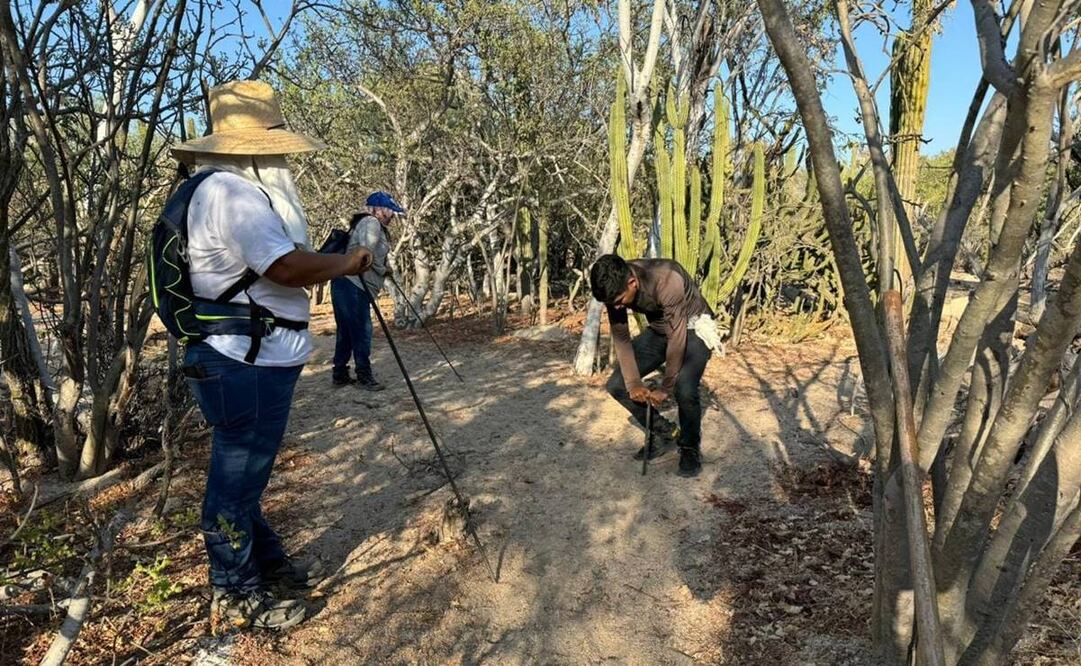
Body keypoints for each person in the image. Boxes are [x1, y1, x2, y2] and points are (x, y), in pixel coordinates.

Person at [170, 80, 374, 630]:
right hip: (244, 360)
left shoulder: (214, 188)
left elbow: (272, 264)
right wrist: (346, 264)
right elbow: (282, 267)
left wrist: (325, 261)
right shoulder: (234, 193)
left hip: (238, 356)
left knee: (245, 476)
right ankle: (235, 593)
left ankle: (267, 566)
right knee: (235, 480)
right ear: (264, 146)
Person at [590, 254, 719, 477]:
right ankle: (663, 431)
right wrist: (633, 384)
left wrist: (666, 387)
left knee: (684, 389)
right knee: (617, 385)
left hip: (693, 328)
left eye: (620, 300)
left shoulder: (667, 279)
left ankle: (689, 447)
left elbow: (677, 339)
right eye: (612, 304)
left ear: (632, 283)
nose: (617, 306)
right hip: (661, 331)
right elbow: (621, 337)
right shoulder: (615, 289)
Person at [330, 192, 403, 390]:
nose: (392, 216)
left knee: (346, 331)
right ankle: (364, 376)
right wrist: (382, 268)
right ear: (379, 210)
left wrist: (383, 268)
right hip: (354, 284)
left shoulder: (366, 223)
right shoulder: (371, 222)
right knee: (362, 331)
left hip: (345, 284)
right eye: (390, 212)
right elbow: (364, 256)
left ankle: (340, 374)